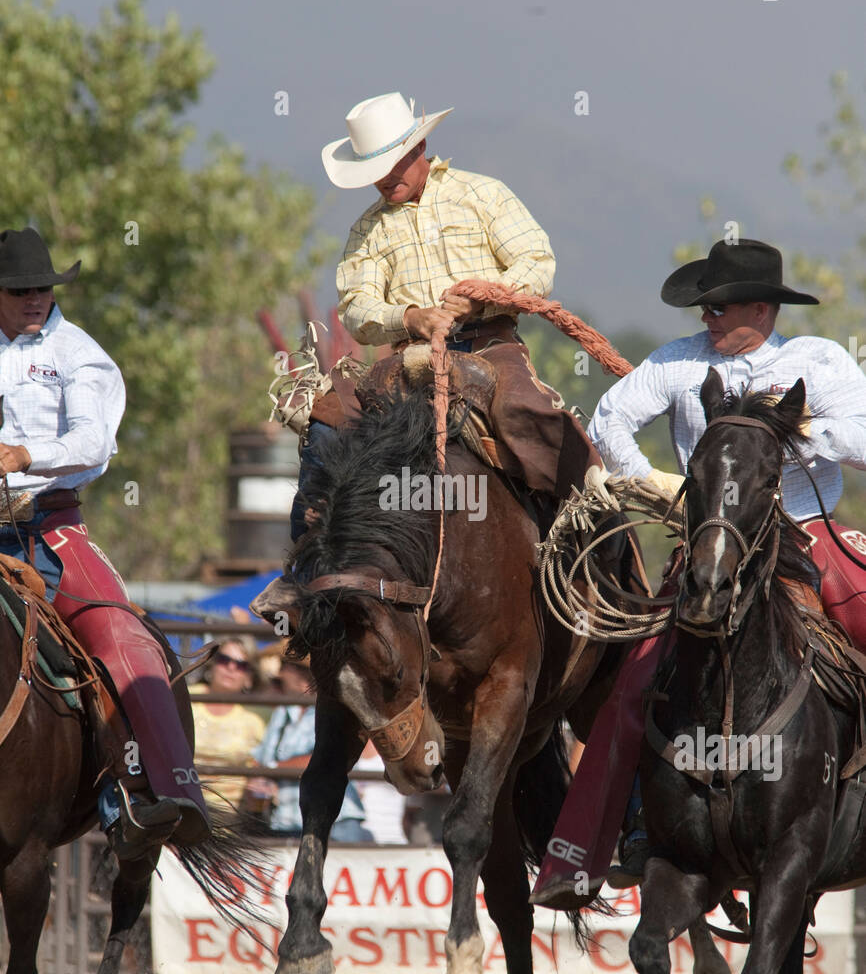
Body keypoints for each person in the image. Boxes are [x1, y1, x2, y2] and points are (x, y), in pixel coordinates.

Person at [532, 237, 866, 903]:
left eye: (719, 306)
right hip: (711, 544)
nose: (707, 317)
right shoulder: (677, 362)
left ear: (762, 308)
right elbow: (609, 420)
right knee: (634, 686)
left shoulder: (817, 362)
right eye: (704, 306)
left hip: (805, 537)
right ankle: (618, 838)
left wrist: (796, 432)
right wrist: (656, 483)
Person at [289, 91, 602, 544]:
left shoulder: (481, 194)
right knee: (327, 426)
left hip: (491, 348)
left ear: (417, 150)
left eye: (391, 166)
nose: (383, 180)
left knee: (531, 417)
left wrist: (483, 297)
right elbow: (356, 308)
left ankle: (590, 536)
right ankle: (307, 564)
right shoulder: (367, 229)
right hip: (409, 357)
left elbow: (537, 263)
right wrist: (411, 318)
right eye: (374, 172)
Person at [0, 227, 211, 857]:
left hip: (50, 529)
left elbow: (93, 443)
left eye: (42, 286)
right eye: (19, 289)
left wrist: (24, 455)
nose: (34, 297)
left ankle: (164, 791)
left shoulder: (78, 354)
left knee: (123, 636)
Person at [255, 656, 372, 840]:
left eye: (286, 666)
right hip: (285, 821)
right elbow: (261, 759)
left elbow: (323, 759)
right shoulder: (283, 712)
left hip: (336, 823)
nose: (282, 673)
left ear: (303, 676)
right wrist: (260, 775)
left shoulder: (338, 710)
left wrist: (273, 769)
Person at [189, 638, 268, 812]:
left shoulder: (254, 721)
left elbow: (257, 775)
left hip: (226, 817)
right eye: (224, 660)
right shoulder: (186, 698)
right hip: (180, 806)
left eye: (241, 665)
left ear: (249, 678)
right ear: (212, 664)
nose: (231, 668)